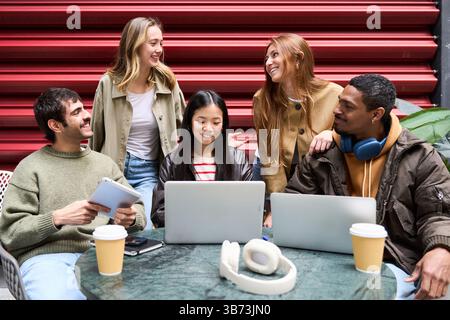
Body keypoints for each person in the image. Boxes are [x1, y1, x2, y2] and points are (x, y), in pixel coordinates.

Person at [285, 74, 450, 300]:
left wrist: (441, 248)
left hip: (390, 265)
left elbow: (438, 215)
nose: (336, 110)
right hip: (329, 261)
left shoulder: (420, 158)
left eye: (348, 106)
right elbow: (295, 203)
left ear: (376, 114)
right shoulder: (321, 156)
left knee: (374, 295)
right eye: (339, 101)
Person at [0, 88, 146, 300]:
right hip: (47, 258)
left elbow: (138, 211)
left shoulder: (104, 163)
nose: (87, 115)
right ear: (56, 125)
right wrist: (58, 218)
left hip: (102, 256)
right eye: (77, 112)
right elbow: (10, 233)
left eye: (84, 108)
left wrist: (131, 217)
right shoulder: (30, 168)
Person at [89, 17, 186, 229]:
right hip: (113, 171)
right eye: (153, 43)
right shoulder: (109, 83)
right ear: (134, 44)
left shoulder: (167, 81)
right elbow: (95, 136)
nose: (159, 49)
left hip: (148, 172)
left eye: (161, 43)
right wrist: (92, 177)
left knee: (145, 227)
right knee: (101, 230)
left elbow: (186, 126)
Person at [252, 33, 343, 226]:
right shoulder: (262, 99)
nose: (268, 62)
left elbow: (358, 135)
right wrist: (277, 207)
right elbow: (269, 157)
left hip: (325, 187)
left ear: (298, 58)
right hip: (280, 182)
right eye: (266, 58)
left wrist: (333, 134)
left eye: (275, 55)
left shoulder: (335, 94)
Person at [151, 90, 253, 227]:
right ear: (190, 122)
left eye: (216, 123)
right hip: (186, 237)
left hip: (227, 234)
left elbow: (250, 208)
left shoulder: (238, 160)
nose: (208, 128)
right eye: (201, 121)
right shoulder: (172, 162)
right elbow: (159, 213)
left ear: (223, 125)